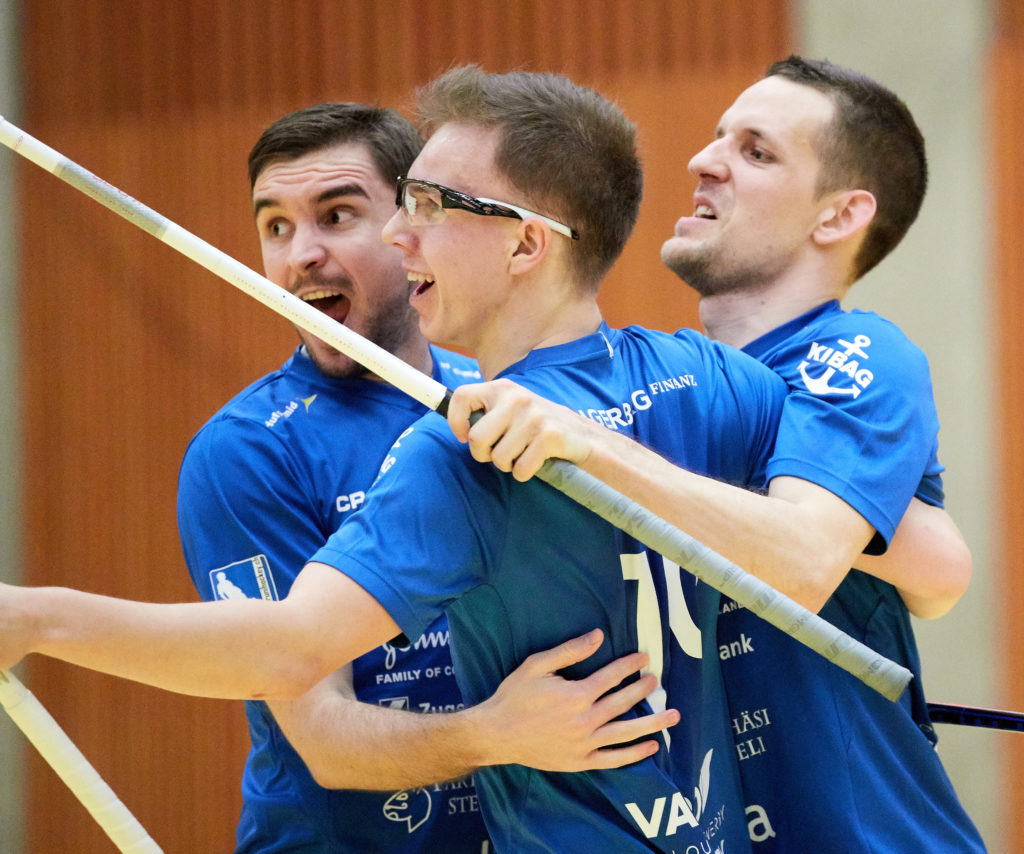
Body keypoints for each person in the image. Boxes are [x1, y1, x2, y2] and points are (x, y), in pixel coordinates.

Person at [0, 68, 796, 852]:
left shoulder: (468, 441)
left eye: (422, 207)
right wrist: (493, 733)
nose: (394, 236)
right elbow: (835, 536)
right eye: (274, 227)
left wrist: (40, 618)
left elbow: (288, 645)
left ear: (526, 242)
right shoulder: (706, 372)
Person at [444, 56, 985, 851]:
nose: (703, 161)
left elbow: (803, 559)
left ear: (838, 215)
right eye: (718, 137)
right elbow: (934, 569)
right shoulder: (677, 387)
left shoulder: (857, 352)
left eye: (756, 152)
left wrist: (591, 446)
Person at [176, 102, 673, 852]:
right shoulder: (244, 452)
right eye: (275, 227)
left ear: (412, 226)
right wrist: (496, 733)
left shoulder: (503, 393)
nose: (300, 255)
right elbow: (324, 741)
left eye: (336, 216)